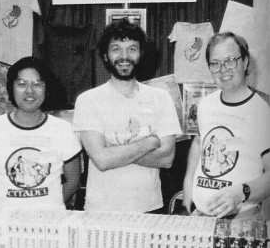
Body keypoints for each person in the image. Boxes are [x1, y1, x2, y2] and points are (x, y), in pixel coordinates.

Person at [73, 19, 182, 213]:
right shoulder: (88, 100)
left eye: (132, 48)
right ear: (106, 56)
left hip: (150, 208)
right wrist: (150, 142)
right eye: (116, 49)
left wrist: (113, 150)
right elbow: (102, 160)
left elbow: (167, 159)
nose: (124, 56)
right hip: (101, 210)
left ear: (141, 54)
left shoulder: (161, 97)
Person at [0, 56, 82, 210]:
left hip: (49, 222)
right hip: (5, 221)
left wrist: (50, 205)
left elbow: (74, 180)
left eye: (37, 84)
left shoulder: (63, 129)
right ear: (11, 88)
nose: (30, 91)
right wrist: (1, 204)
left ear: (46, 88)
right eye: (22, 84)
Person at [183, 31, 270, 219]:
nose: (223, 70)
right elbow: (199, 143)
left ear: (245, 62)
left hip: (242, 218)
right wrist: (188, 184)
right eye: (215, 63)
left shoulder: (262, 111)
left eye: (230, 60)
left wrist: (241, 192)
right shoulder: (206, 104)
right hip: (202, 215)